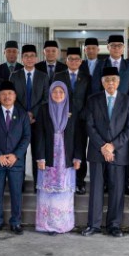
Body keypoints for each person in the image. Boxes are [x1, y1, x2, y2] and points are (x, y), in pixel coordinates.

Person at [82, 67, 129, 238]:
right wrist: (103, 146)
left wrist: (112, 146)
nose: (110, 83)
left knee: (117, 189)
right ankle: (94, 225)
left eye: (113, 79)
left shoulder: (127, 101)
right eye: (107, 80)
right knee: (96, 188)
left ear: (119, 82)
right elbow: (89, 125)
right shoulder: (93, 100)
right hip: (98, 151)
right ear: (102, 82)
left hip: (118, 152)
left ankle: (114, 225)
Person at [33, 80, 82, 235]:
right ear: (50, 93)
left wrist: (78, 157)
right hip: (48, 156)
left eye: (61, 92)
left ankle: (63, 224)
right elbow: (39, 135)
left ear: (66, 93)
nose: (58, 94)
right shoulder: (43, 109)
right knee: (48, 191)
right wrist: (40, 157)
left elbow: (78, 136)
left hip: (66, 157)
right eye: (55, 92)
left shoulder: (73, 110)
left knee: (64, 192)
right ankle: (47, 224)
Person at [0, 80, 31, 235]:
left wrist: (15, 155)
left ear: (15, 96)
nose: (7, 96)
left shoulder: (23, 115)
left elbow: (26, 137)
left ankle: (16, 222)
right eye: (3, 94)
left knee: (16, 193)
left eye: (10, 94)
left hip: (15, 162)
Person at [53, 47, 90, 192]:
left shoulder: (87, 77)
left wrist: (84, 114)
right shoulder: (58, 76)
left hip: (81, 120)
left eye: (76, 59)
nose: (74, 61)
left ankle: (80, 181)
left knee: (80, 148)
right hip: (63, 120)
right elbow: (54, 96)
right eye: (70, 59)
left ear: (81, 61)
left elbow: (90, 98)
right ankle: (64, 179)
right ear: (66, 61)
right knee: (64, 149)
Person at [105, 34, 129, 99]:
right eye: (113, 45)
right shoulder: (101, 65)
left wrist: (127, 102)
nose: (116, 48)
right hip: (104, 104)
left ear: (123, 48)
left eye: (119, 46)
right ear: (108, 47)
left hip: (125, 104)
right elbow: (96, 87)